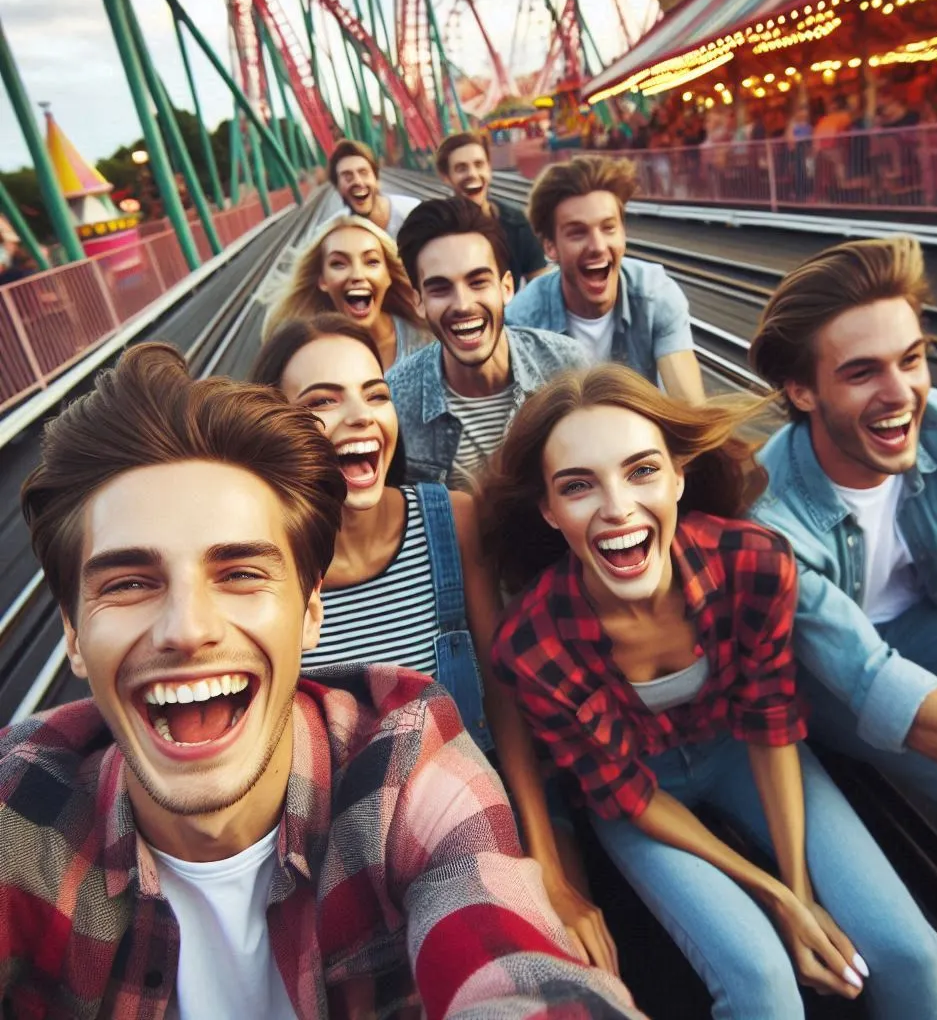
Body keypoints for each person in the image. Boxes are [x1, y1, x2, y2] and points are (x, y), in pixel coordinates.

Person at [1, 343, 643, 1019]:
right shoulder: (22, 805)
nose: (187, 630)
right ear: (73, 634)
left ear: (311, 612)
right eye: (129, 583)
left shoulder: (405, 765)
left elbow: (509, 962)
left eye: (241, 573)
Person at [481, 364, 937, 1019]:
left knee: (911, 952)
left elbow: (770, 724)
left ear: (679, 475)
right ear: (549, 510)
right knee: (762, 982)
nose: (618, 508)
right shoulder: (531, 645)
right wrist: (779, 899)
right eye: (578, 486)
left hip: (742, 749)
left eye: (642, 470)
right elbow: (627, 793)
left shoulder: (753, 561)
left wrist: (800, 883)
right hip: (641, 797)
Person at [250, 313, 618, 973]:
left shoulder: (450, 519)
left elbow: (503, 706)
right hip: (346, 854)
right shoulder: (263, 569)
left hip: (483, 814)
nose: (360, 416)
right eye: (323, 401)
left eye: (375, 393)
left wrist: (548, 865)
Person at [748, 235, 937, 935]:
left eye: (912, 359)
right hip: (826, 681)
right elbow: (873, 679)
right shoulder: (769, 519)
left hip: (932, 625)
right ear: (803, 390)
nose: (902, 394)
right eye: (863, 372)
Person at [390, 197, 588, 492]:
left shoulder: (565, 364)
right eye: (440, 288)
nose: (463, 305)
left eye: (478, 282)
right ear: (418, 301)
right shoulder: (396, 397)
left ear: (506, 288)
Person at [505, 156, 705, 404]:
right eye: (578, 233)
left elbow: (691, 408)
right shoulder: (522, 321)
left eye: (608, 228)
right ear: (550, 247)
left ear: (623, 234)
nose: (598, 246)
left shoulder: (655, 295)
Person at [261, 215, 426, 369]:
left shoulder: (426, 339)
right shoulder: (308, 358)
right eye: (339, 264)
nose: (357, 275)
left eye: (372, 262)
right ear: (323, 280)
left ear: (388, 275)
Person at [435, 130, 548, 289]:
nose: (473, 174)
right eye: (461, 168)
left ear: (489, 169)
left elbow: (540, 285)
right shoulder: (434, 230)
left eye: (479, 165)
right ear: (446, 177)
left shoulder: (516, 223)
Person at [326, 138, 420, 240]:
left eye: (363, 173)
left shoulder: (413, 213)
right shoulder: (336, 233)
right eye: (347, 176)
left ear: (377, 179)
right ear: (337, 187)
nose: (358, 182)